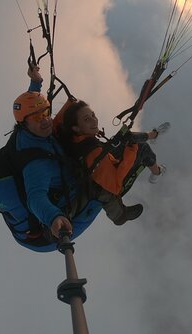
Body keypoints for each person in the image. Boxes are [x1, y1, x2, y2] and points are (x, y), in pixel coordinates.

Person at [12, 66, 102, 240]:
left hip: (61, 163)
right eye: (37, 118)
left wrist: (36, 82)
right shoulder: (36, 165)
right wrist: (54, 217)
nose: (46, 120)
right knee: (105, 185)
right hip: (63, 205)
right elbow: (35, 197)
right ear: (24, 124)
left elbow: (30, 103)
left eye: (46, 112)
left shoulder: (30, 131)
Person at [57, 99, 169, 225]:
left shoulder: (72, 136)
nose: (94, 120)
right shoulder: (93, 152)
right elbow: (115, 184)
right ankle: (157, 172)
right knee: (142, 148)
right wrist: (131, 149)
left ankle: (152, 135)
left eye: (93, 115)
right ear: (76, 127)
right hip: (110, 185)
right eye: (87, 119)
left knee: (127, 137)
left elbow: (61, 121)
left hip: (99, 165)